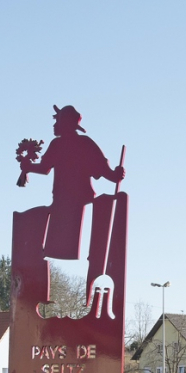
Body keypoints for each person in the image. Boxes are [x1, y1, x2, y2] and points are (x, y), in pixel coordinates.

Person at [19, 105, 125, 260]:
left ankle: (87, 255)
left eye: (58, 121)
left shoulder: (83, 143)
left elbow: (102, 168)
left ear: (66, 123)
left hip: (76, 199)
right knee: (55, 235)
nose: (55, 125)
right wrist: (28, 167)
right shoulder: (57, 144)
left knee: (65, 238)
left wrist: (116, 175)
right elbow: (44, 168)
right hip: (61, 198)